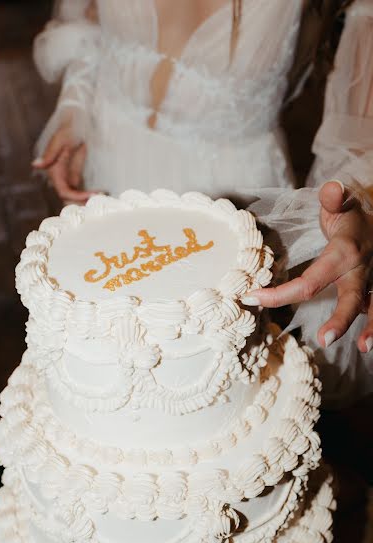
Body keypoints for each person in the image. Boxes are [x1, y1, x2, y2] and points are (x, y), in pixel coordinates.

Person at [32, 0, 373, 403]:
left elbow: (359, 130)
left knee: (204, 398)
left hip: (235, 214)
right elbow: (86, 21)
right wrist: (77, 104)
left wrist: (358, 201)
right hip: (110, 169)